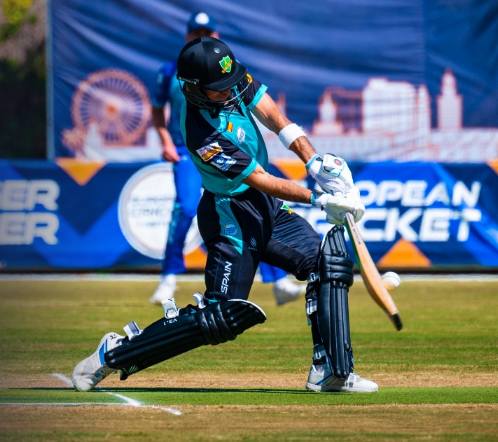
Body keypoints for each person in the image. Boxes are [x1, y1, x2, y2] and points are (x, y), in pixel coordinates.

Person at [73, 36, 378, 393]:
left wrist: (314, 162)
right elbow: (260, 179)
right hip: (230, 215)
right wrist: (320, 199)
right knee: (222, 315)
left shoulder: (228, 79)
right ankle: (115, 353)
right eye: (220, 88)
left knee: (326, 264)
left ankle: (329, 370)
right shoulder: (201, 133)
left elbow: (276, 118)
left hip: (267, 209)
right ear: (194, 89)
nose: (231, 91)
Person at [148, 12, 305, 307]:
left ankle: (278, 282)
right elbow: (157, 110)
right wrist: (165, 140)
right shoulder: (170, 73)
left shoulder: (227, 68)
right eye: (196, 33)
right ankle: (169, 277)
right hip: (188, 150)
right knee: (185, 207)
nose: (203, 38)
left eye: (208, 33)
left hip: (228, 149)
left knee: (255, 200)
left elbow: (265, 111)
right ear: (187, 37)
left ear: (217, 35)